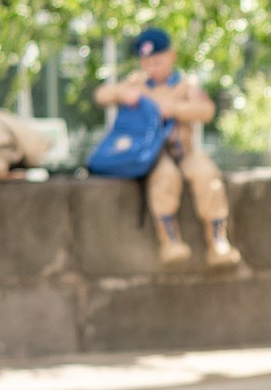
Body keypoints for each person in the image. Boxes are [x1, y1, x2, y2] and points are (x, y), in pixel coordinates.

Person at [91, 29, 240, 266]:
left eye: (157, 61)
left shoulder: (185, 85)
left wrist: (177, 109)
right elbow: (101, 95)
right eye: (147, 62)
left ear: (171, 56)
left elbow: (207, 111)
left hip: (185, 150)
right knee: (164, 179)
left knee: (207, 176)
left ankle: (218, 240)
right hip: (156, 154)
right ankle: (170, 241)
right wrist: (122, 93)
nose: (152, 67)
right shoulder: (137, 83)